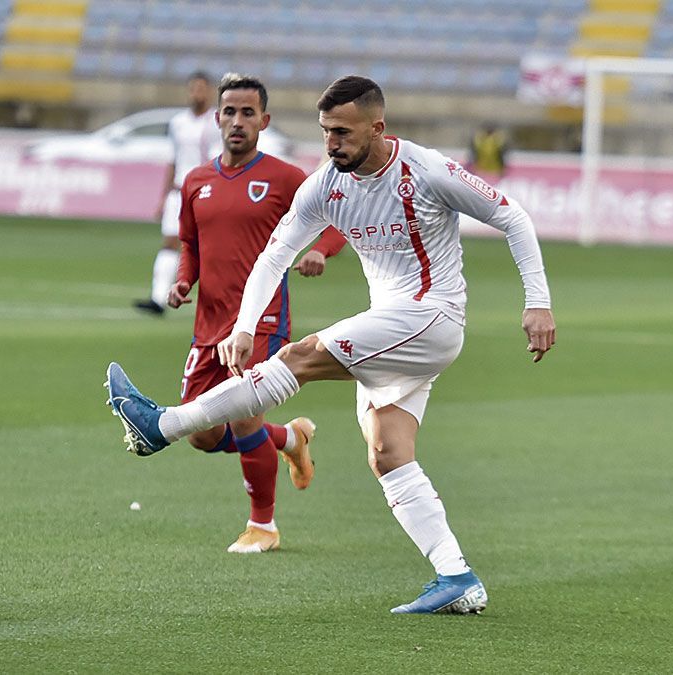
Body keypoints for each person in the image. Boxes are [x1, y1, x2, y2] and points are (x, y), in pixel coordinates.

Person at [107, 76, 556, 614]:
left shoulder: (426, 171)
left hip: (431, 316)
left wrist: (538, 303)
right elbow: (275, 255)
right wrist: (245, 325)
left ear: (377, 127)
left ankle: (163, 426)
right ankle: (455, 575)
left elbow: (512, 216)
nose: (332, 143)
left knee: (297, 356)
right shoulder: (326, 184)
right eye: (325, 132)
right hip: (392, 325)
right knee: (388, 453)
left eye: (343, 132)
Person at [167, 73, 347, 552]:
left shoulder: (286, 178)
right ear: (217, 117)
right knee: (200, 434)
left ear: (264, 121)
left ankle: (262, 526)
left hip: (262, 322)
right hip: (208, 325)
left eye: (248, 113)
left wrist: (320, 253)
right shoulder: (196, 181)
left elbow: (338, 221)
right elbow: (190, 242)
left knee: (244, 417)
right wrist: (186, 278)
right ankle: (288, 439)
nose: (238, 121)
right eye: (230, 112)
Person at [133, 71, 221, 316]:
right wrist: (163, 197)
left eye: (202, 89)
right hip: (178, 191)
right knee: (170, 242)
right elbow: (173, 160)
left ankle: (218, 302)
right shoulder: (178, 123)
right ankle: (158, 299)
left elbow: (219, 162)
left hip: (204, 191)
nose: (197, 93)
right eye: (193, 88)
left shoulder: (216, 123)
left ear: (210, 91)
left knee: (208, 248)